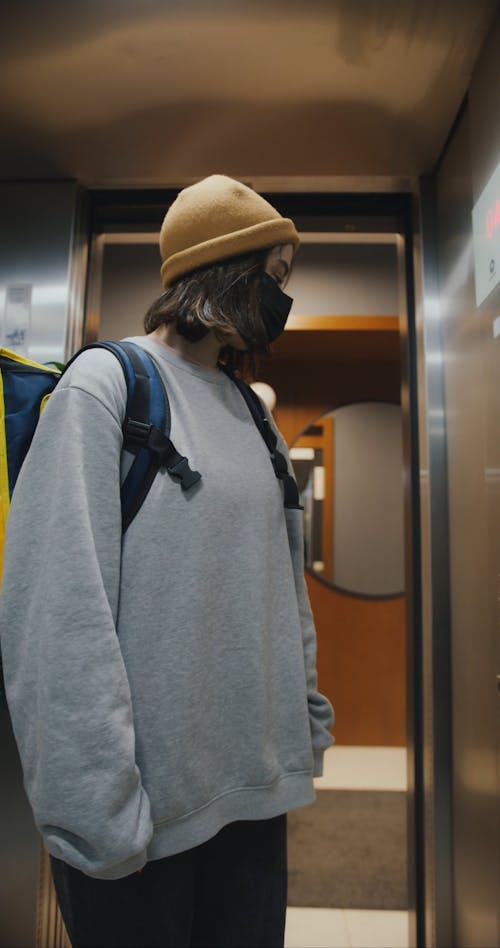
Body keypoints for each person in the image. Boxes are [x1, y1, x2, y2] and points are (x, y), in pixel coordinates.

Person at [0, 174, 334, 948]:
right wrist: (99, 812)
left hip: (252, 799)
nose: (280, 300)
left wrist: (301, 725)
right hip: (140, 825)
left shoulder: (253, 412)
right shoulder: (107, 387)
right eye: (272, 279)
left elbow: (282, 587)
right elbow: (56, 614)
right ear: (221, 272)